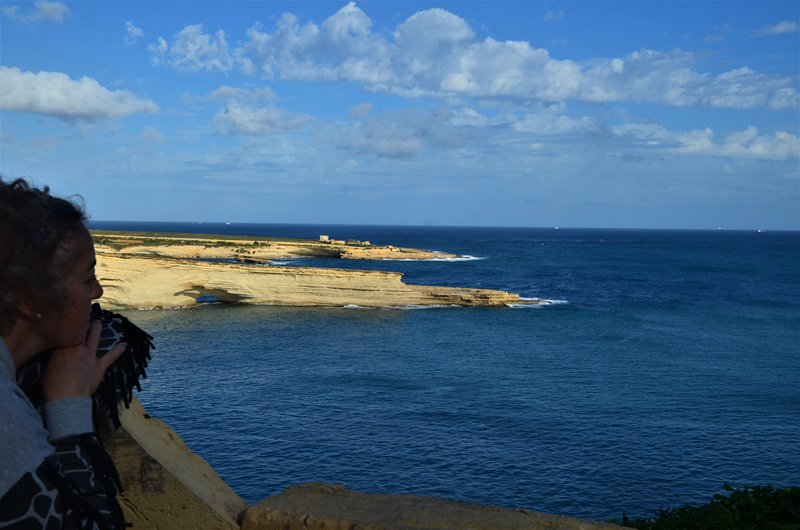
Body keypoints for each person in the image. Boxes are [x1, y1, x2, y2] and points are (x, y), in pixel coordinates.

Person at [1, 177, 128, 529]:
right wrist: (68, 406)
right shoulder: (6, 427)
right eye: (88, 280)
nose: (99, 292)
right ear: (26, 299)